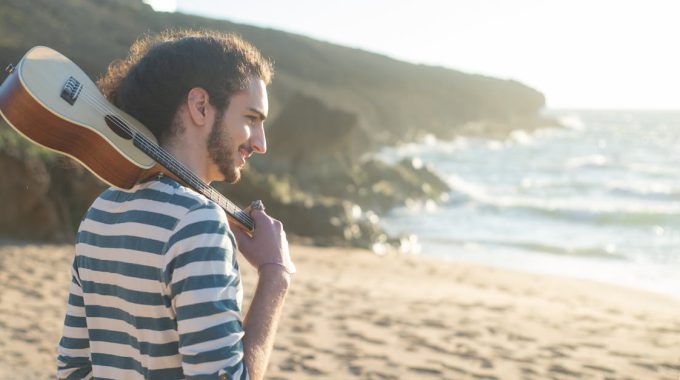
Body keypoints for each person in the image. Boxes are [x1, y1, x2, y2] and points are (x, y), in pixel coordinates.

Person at [56, 29, 295, 379]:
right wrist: (276, 275)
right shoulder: (197, 222)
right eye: (251, 119)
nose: (261, 143)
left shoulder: (100, 213)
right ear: (200, 106)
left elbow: (72, 369)